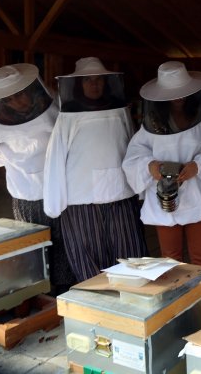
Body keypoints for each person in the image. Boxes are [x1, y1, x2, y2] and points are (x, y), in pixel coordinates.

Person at [123, 61, 201, 320]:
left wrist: (199, 167)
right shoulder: (151, 123)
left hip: (198, 200)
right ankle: (178, 312)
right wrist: (151, 166)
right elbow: (134, 156)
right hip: (165, 199)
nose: (179, 99)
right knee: (171, 260)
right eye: (173, 95)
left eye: (183, 93)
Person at [0, 63, 76, 294]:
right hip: (26, 195)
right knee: (35, 246)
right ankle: (41, 294)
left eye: (21, 94)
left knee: (66, 246)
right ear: (1, 101)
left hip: (63, 192)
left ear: (30, 89)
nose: (18, 101)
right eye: (10, 99)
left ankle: (68, 292)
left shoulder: (56, 108)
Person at [43, 57, 147, 282]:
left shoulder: (120, 111)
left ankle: (132, 302)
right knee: (89, 257)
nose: (94, 84)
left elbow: (132, 148)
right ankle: (96, 305)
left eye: (98, 79)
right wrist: (54, 203)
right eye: (88, 80)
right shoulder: (67, 118)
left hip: (121, 195)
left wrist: (141, 189)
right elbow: (55, 159)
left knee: (129, 254)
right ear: (79, 84)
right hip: (81, 201)